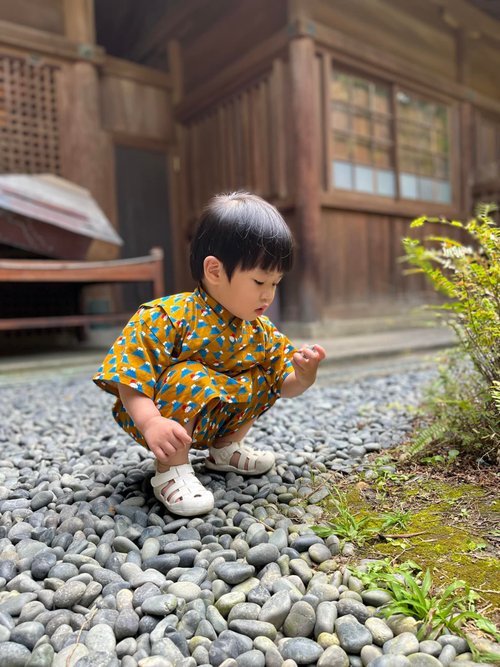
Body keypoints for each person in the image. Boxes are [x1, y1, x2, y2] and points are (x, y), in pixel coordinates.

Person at [93, 192, 326, 517]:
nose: (268, 295)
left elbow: (281, 384)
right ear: (214, 271)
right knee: (188, 375)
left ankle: (225, 449)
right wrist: (151, 422)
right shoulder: (168, 316)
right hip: (166, 419)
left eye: (275, 283)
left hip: (217, 417)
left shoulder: (260, 330)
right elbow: (129, 374)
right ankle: (170, 469)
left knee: (262, 377)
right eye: (259, 280)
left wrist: (302, 378)